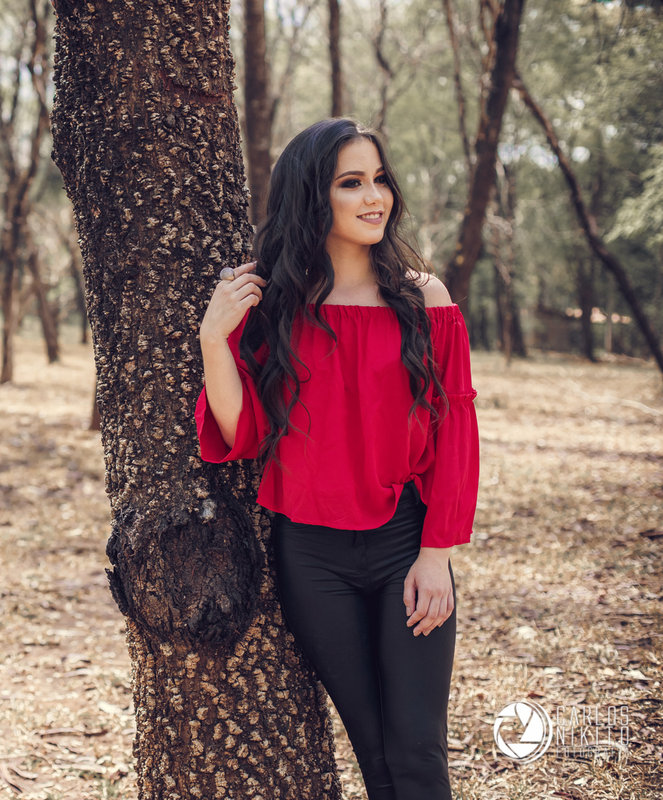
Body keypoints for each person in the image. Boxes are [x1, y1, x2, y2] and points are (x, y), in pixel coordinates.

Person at [195, 117, 479, 800]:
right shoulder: (278, 309)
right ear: (312, 197)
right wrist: (213, 340)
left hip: (405, 546)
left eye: (379, 179)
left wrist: (437, 553)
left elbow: (456, 434)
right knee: (376, 756)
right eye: (352, 182)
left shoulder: (424, 301)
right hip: (311, 558)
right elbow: (243, 433)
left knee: (416, 752)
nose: (374, 195)